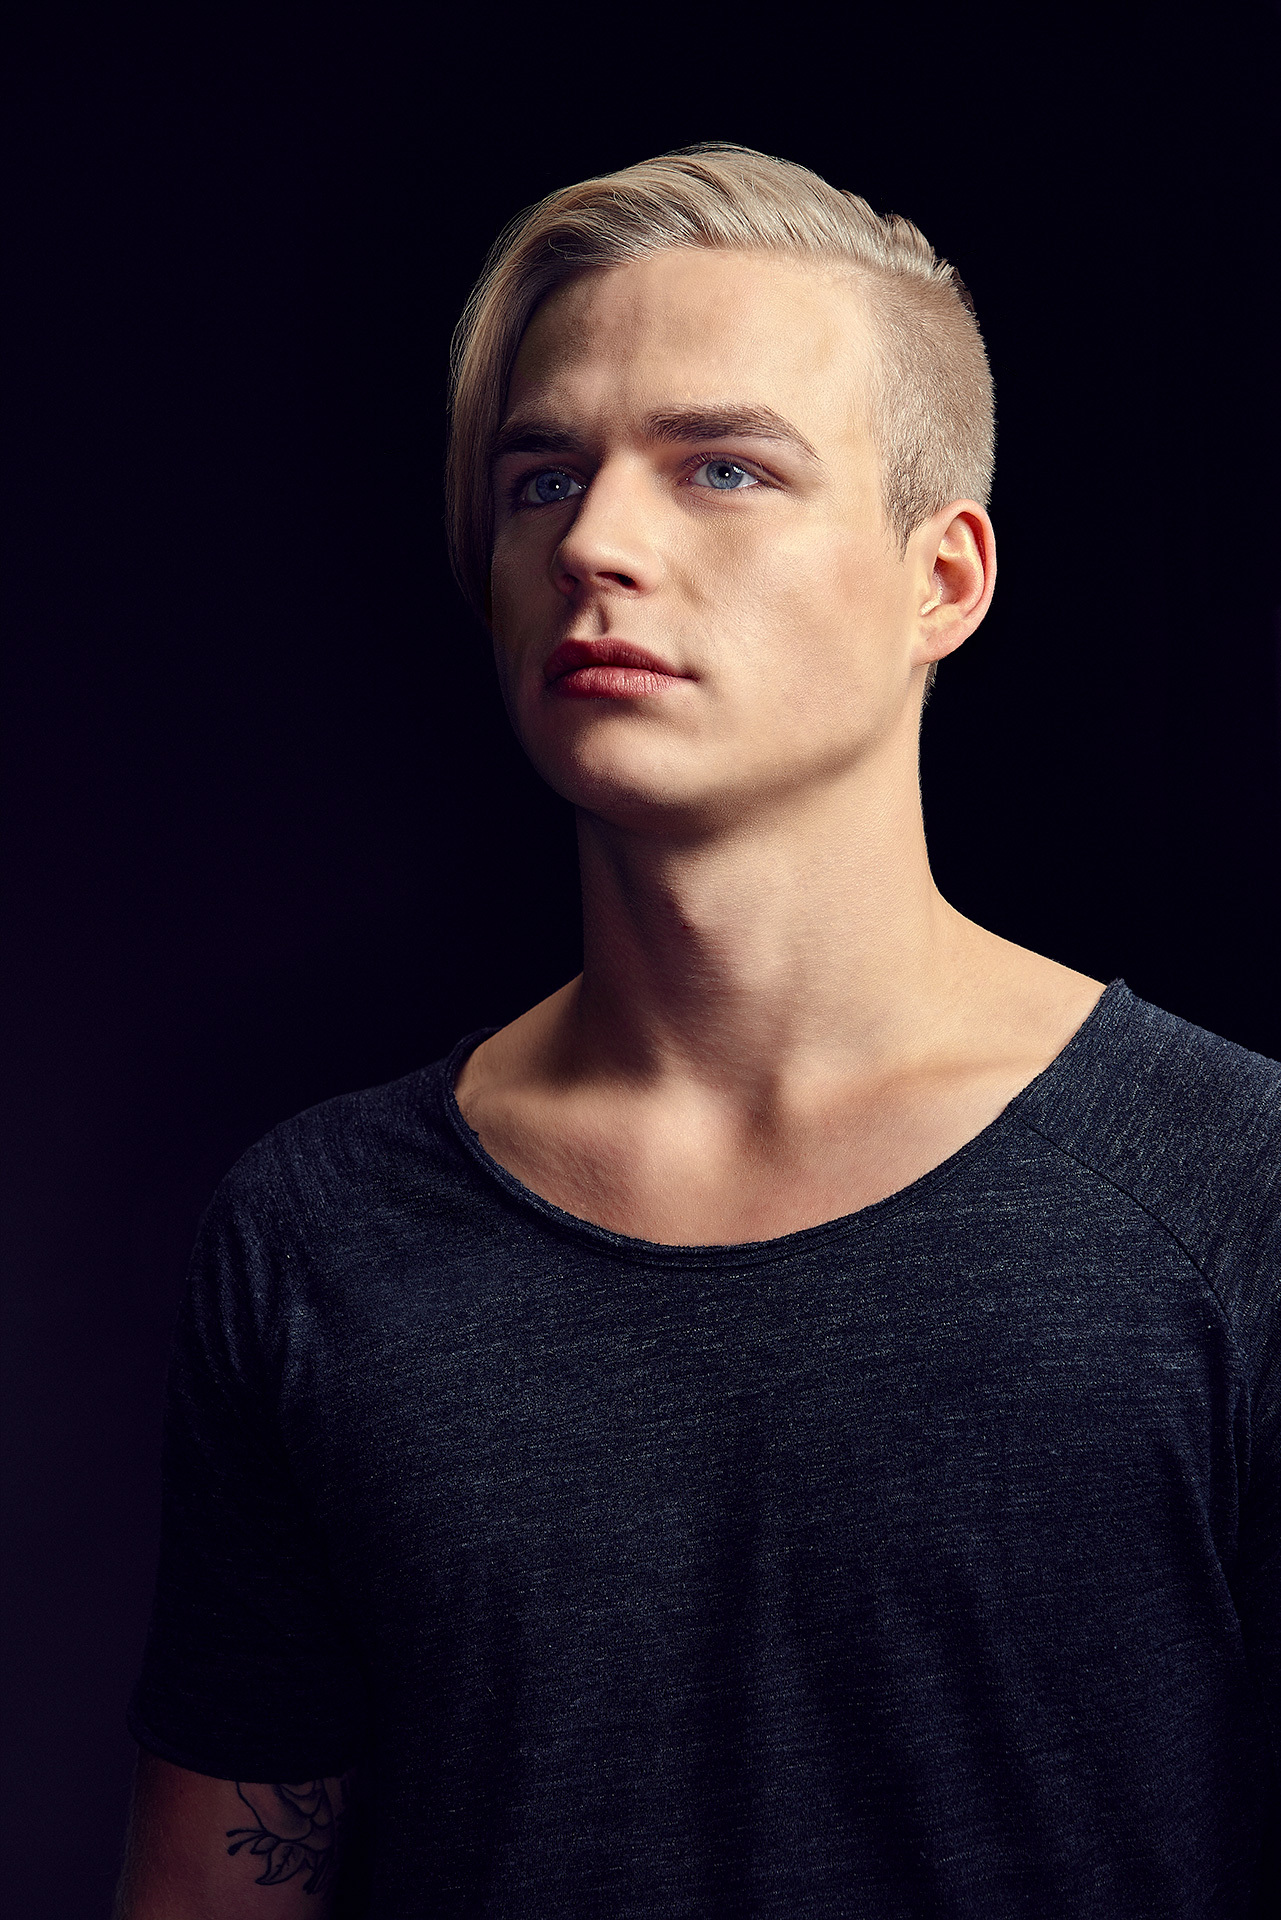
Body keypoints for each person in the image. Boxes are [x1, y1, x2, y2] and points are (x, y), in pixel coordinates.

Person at [116, 145, 1281, 1918]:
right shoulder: (316, 1235)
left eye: (722, 467)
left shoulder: (1234, 1190)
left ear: (941, 581)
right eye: (541, 477)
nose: (593, 542)